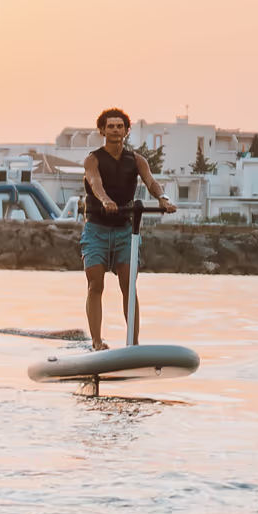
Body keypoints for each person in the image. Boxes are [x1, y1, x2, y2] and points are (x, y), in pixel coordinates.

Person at [81, 108, 175, 349]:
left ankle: (132, 344)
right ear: (102, 130)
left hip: (125, 231)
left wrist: (162, 199)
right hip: (96, 230)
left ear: (126, 131)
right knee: (96, 285)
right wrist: (105, 201)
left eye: (119, 126)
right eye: (110, 126)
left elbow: (151, 182)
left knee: (128, 285)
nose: (115, 130)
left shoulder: (136, 160)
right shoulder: (93, 159)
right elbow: (95, 182)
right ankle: (97, 342)